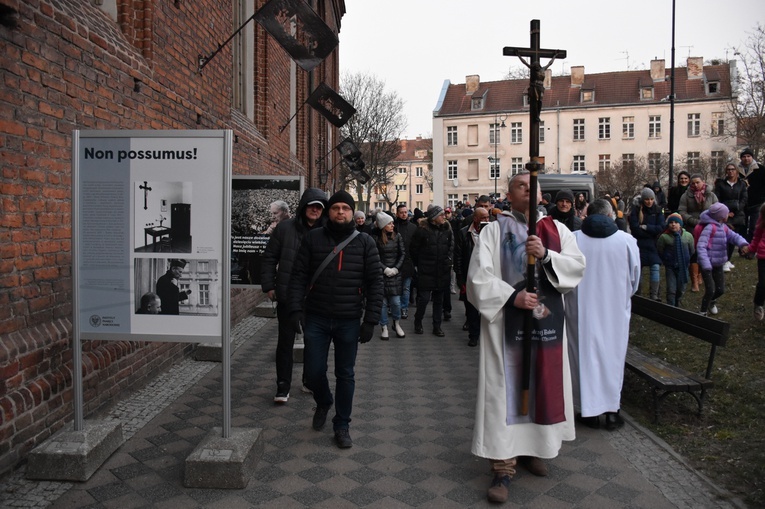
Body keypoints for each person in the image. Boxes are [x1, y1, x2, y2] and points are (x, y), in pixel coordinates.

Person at [466, 172, 586, 503]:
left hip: (545, 329)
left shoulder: (558, 231)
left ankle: (535, 449)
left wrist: (547, 255)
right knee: (504, 393)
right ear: (509, 194)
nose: (529, 190)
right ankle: (503, 467)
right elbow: (478, 278)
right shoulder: (493, 231)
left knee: (542, 384)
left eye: (534, 186)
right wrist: (511, 297)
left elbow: (576, 268)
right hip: (506, 327)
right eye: (521, 185)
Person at [287, 190, 383, 449]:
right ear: (329, 212)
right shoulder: (313, 238)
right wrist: (295, 309)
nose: (340, 212)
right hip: (316, 317)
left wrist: (370, 321)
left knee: (345, 374)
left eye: (345, 208)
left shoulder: (365, 243)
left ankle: (342, 425)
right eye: (336, 207)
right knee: (313, 372)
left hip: (349, 319)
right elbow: (298, 276)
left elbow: (376, 283)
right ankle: (324, 400)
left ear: (353, 212)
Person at [568, 199, 639, 431]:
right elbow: (634, 278)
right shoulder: (626, 241)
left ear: (587, 215)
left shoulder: (574, 239)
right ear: (610, 216)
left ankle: (588, 411)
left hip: (581, 310)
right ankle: (611, 411)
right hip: (614, 311)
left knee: (583, 357)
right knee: (612, 358)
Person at [261, 187, 327, 403]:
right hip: (288, 293)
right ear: (303, 207)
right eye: (311, 206)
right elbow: (270, 257)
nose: (315, 210)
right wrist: (269, 285)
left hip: (317, 297)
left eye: (319, 207)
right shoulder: (285, 228)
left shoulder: (328, 230)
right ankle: (283, 385)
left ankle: (310, 380)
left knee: (314, 342)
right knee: (285, 342)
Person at [696, 203, 750, 316]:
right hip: (707, 265)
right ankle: (702, 312)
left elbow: (734, 236)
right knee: (710, 290)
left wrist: (743, 244)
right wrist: (705, 264)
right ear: (721, 216)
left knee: (720, 290)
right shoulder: (710, 228)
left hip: (718, 263)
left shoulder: (723, 227)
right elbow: (701, 246)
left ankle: (711, 302)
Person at [410, 205, 454, 337]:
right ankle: (418, 322)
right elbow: (413, 250)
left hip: (442, 270)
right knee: (423, 299)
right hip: (426, 270)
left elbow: (451, 246)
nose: (444, 217)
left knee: (439, 300)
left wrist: (448, 260)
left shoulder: (447, 230)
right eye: (441, 215)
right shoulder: (422, 231)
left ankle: (437, 326)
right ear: (434, 217)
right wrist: (419, 265)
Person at [454, 206, 489, 347]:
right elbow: (458, 256)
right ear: (475, 219)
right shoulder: (464, 233)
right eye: (483, 218)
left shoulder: (492, 232)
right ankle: (474, 335)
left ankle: (486, 335)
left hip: (487, 276)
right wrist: (460, 278)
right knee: (472, 308)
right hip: (470, 276)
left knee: (486, 307)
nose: (486, 220)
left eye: (488, 217)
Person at [678, 174, 718, 292]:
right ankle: (694, 281)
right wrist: (693, 221)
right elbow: (682, 211)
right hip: (692, 227)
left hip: (708, 227)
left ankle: (701, 274)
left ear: (703, 182)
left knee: (705, 252)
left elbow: (717, 209)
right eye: (693, 183)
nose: (695, 185)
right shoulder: (685, 196)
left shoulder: (711, 195)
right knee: (694, 253)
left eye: (698, 182)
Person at [374, 212, 405, 340]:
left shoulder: (397, 236)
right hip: (381, 275)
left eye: (392, 223)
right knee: (382, 304)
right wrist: (384, 268)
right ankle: (384, 327)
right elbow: (374, 256)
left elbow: (402, 254)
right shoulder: (375, 239)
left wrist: (396, 269)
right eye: (389, 223)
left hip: (395, 275)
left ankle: (396, 324)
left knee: (396, 303)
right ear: (383, 225)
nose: (392, 225)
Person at [629, 188, 664, 301]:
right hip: (639, 244)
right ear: (643, 200)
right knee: (639, 269)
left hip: (653, 245)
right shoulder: (635, 210)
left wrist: (646, 227)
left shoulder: (658, 210)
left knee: (655, 267)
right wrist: (651, 232)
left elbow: (661, 227)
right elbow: (634, 229)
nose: (649, 202)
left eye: (651, 199)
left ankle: (654, 294)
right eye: (647, 199)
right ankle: (638, 293)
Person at [714, 163, 748, 271]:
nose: (730, 171)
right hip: (725, 214)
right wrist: (725, 212)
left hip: (738, 214)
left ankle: (728, 259)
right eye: (728, 169)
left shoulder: (741, 184)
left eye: (733, 169)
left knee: (733, 238)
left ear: (737, 171)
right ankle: (723, 260)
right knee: (724, 237)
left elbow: (744, 198)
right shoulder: (720, 184)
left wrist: (738, 208)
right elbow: (717, 198)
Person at [657, 213, 695, 307]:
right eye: (671, 222)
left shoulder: (688, 236)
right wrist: (666, 259)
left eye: (676, 222)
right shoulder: (664, 237)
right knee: (671, 289)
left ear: (680, 224)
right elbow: (660, 249)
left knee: (681, 288)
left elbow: (692, 250)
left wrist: (686, 259)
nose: (673, 224)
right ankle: (671, 307)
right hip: (670, 266)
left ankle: (677, 302)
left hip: (683, 266)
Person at [393, 204, 417, 319]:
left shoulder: (413, 227)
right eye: (401, 212)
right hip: (394, 262)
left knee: (406, 288)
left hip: (408, 262)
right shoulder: (393, 227)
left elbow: (417, 245)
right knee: (396, 287)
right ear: (397, 213)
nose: (404, 214)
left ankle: (404, 308)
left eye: (405, 212)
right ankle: (395, 307)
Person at [739, 148, 765, 241]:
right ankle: (743, 247)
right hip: (742, 203)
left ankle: (751, 247)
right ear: (741, 158)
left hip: (757, 202)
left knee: (754, 226)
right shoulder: (736, 170)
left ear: (752, 157)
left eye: (748, 156)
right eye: (744, 156)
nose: (746, 158)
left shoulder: (761, 169)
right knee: (742, 226)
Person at [747, 203, 765, 321]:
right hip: (763, 256)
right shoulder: (763, 214)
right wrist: (751, 249)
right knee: (763, 284)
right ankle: (758, 303)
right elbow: (757, 236)